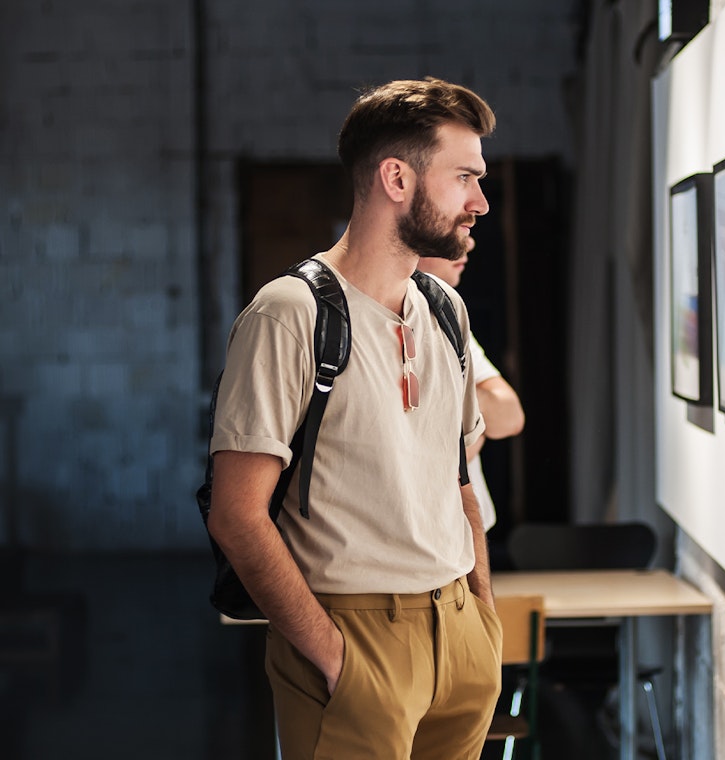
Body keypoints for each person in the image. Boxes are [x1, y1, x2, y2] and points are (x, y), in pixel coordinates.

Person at [206, 78, 502, 760]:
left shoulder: (446, 312)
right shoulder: (289, 313)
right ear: (397, 177)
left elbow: (457, 477)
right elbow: (237, 515)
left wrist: (480, 621)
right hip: (351, 637)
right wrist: (335, 657)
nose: (480, 202)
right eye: (464, 177)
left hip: (458, 635)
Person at [416, 251, 525, 531]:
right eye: (457, 229)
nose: (470, 244)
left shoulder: (446, 317)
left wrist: (454, 405)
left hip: (466, 530)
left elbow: (509, 415)